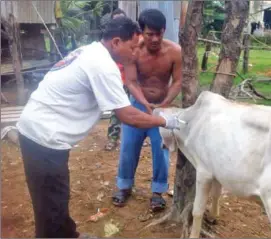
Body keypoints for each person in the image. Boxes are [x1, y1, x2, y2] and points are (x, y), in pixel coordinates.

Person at [16, 16, 181, 238]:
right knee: (50, 206)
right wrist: (165, 121)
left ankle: (69, 234)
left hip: (42, 132)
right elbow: (127, 115)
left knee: (56, 197)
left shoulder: (91, 51)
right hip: (43, 138)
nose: (135, 53)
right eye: (132, 47)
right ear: (116, 42)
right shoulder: (103, 65)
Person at [112, 9, 182, 212]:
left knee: (161, 150)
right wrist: (144, 103)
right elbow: (131, 82)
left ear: (164, 30)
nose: (154, 38)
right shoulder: (134, 51)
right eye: (149, 34)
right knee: (128, 147)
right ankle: (124, 186)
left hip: (163, 107)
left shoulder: (175, 51)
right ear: (141, 32)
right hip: (137, 105)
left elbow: (178, 81)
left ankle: (158, 192)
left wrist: (164, 104)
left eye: (159, 33)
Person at [104, 8, 129, 151]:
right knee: (117, 110)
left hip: (131, 80)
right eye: (116, 20)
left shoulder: (132, 37)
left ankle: (137, 136)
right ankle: (113, 138)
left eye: (122, 19)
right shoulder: (108, 40)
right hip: (116, 80)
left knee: (134, 107)